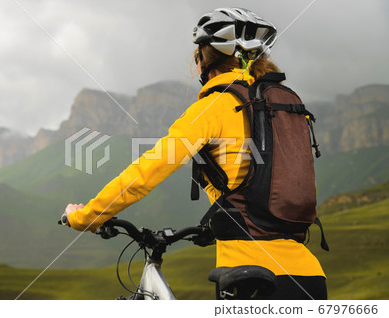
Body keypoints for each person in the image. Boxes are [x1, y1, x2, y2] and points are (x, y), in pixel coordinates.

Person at [64, 7, 327, 300]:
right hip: (310, 277)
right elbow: (274, 188)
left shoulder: (213, 107)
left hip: (251, 277)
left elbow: (143, 174)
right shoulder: (284, 109)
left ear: (202, 60)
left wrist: (87, 216)